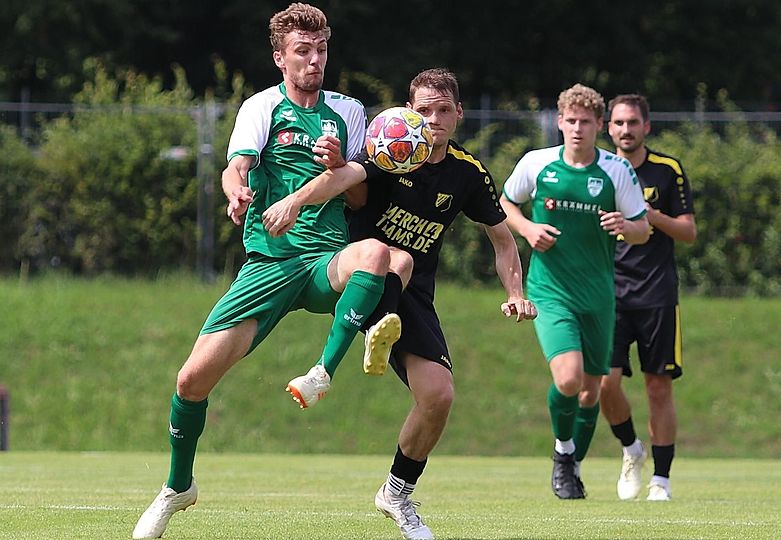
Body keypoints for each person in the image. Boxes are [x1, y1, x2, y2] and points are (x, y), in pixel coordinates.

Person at [131, 4, 408, 539]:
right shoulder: (262, 107)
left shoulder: (349, 112)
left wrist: (338, 165)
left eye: (321, 50)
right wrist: (236, 192)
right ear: (280, 57)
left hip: (325, 261)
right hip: (269, 264)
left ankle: (322, 373)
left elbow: (359, 193)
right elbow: (235, 167)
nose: (314, 60)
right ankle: (177, 487)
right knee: (190, 382)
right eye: (303, 51)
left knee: (376, 253)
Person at [262, 68, 537, 540]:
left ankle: (396, 493)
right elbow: (343, 176)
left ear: (459, 114)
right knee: (397, 257)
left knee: (438, 397)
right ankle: (351, 346)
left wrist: (515, 293)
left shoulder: (467, 173)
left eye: (443, 110)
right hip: (362, 274)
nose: (433, 119)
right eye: (424, 110)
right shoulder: (391, 147)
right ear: (409, 111)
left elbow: (502, 238)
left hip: (414, 296)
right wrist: (295, 202)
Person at [499, 84, 651, 500]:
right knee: (568, 379)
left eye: (586, 121)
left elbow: (643, 229)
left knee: (591, 391)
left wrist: (625, 226)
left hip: (598, 295)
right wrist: (527, 228)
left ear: (599, 125)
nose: (578, 128)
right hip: (550, 291)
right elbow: (505, 204)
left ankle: (572, 468)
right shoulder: (537, 163)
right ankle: (563, 454)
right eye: (571, 120)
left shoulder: (616, 171)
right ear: (560, 122)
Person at [600, 93, 697, 502]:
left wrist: (646, 214)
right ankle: (630, 448)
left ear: (646, 126)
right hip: (608, 294)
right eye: (619, 123)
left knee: (659, 388)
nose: (626, 129)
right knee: (604, 383)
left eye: (633, 122)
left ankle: (662, 479)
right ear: (609, 128)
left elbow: (688, 232)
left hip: (657, 293)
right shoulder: (599, 169)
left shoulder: (667, 170)